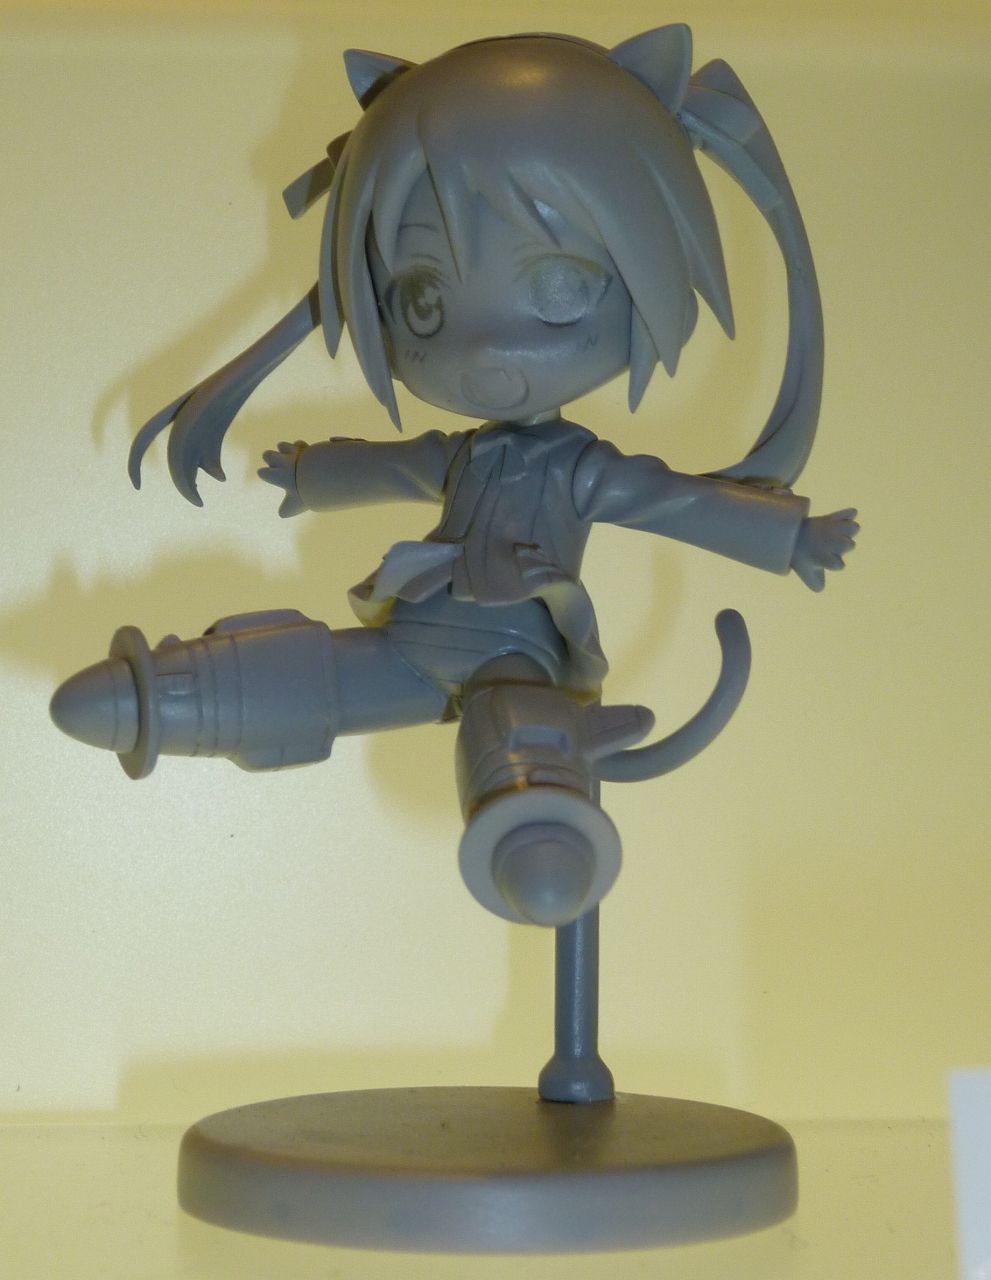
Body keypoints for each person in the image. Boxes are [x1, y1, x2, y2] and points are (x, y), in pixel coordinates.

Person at [52, 28, 858, 929]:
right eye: (424, 301)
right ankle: (181, 697)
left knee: (504, 726)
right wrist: (315, 474)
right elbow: (400, 465)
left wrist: (788, 536)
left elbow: (669, 500)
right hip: (412, 633)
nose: (479, 351)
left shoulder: (582, 470)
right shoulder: (463, 455)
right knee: (304, 682)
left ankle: (532, 799)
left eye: (557, 288)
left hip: (516, 654)